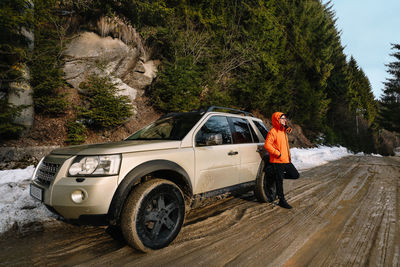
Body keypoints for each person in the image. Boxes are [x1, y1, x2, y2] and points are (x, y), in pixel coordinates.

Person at [264, 112, 299, 209]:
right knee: (279, 182)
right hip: (278, 160)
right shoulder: (273, 132)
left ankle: (274, 175)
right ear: (277, 120)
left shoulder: (283, 130)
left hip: (286, 160)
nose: (285, 120)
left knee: (295, 175)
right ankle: (281, 200)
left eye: (285, 118)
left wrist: (285, 126)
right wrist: (277, 153)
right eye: (283, 118)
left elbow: (290, 131)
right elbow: (267, 145)